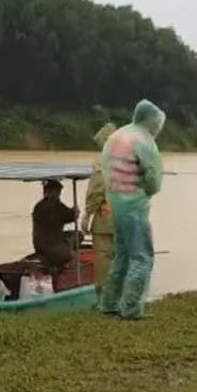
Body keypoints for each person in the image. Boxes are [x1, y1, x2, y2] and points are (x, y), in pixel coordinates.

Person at [100, 100, 165, 321]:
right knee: (142, 257)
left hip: (115, 205)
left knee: (122, 255)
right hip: (134, 207)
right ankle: (131, 308)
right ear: (152, 121)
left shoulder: (116, 136)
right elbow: (153, 182)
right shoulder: (144, 141)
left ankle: (109, 303)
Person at [82, 122, 117, 298]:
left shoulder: (103, 161)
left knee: (104, 260)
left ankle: (106, 299)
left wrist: (87, 214)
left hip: (106, 219)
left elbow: (97, 189)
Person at [32, 179, 79, 269]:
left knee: (77, 234)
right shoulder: (54, 205)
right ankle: (69, 261)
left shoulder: (39, 206)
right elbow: (69, 216)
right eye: (58, 192)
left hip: (41, 244)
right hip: (52, 245)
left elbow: (64, 216)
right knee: (76, 236)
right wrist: (75, 212)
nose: (59, 194)